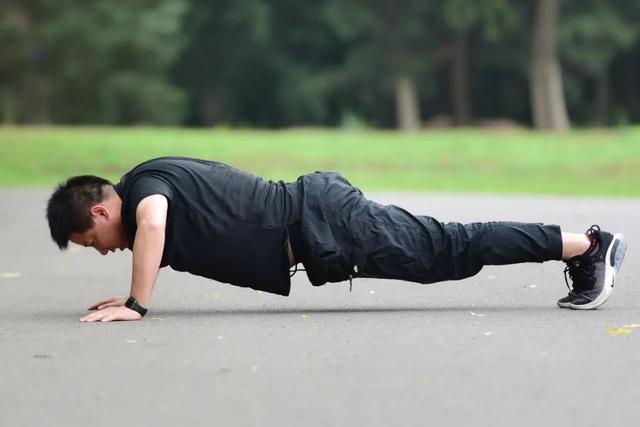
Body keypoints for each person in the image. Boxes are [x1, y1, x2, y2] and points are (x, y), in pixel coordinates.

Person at [46, 157, 628, 322]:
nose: (100, 248)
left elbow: (150, 223)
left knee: (450, 247)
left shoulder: (147, 187)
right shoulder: (152, 187)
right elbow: (154, 234)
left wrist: (139, 305)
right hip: (320, 227)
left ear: (100, 208)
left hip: (323, 221)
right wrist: (130, 294)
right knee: (444, 254)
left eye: (89, 237)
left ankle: (586, 247)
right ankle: (582, 247)